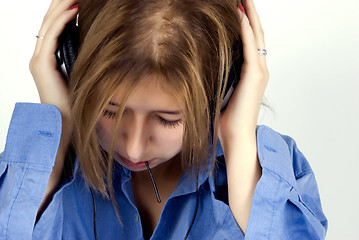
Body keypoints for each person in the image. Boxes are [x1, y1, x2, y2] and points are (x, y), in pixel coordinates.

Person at [0, 0, 328, 239]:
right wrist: (59, 126)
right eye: (109, 110)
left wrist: (239, 138)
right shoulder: (45, 168)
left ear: (222, 91)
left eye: (168, 119)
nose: (133, 145)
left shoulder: (277, 179)